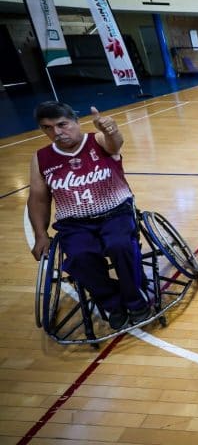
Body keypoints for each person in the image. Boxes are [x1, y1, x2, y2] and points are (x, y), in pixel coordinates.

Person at [28, 101, 151, 330]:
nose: (56, 132)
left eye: (62, 124)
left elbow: (115, 145)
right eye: (48, 127)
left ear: (75, 121)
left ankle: (135, 300)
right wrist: (40, 234)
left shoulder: (97, 140)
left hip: (115, 211)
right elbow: (38, 199)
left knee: (120, 245)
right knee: (80, 258)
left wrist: (111, 130)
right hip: (74, 222)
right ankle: (113, 303)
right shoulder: (41, 158)